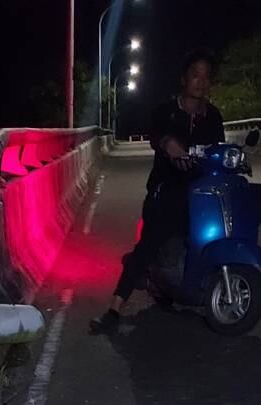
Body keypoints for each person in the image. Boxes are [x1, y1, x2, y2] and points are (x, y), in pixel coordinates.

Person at [90, 49, 225, 334]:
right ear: (183, 80)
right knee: (148, 245)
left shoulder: (213, 117)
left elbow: (220, 152)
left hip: (201, 192)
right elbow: (156, 136)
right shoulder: (167, 112)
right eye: (195, 75)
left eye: (206, 76)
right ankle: (114, 310)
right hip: (167, 190)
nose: (201, 81)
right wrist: (168, 143)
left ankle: (188, 288)